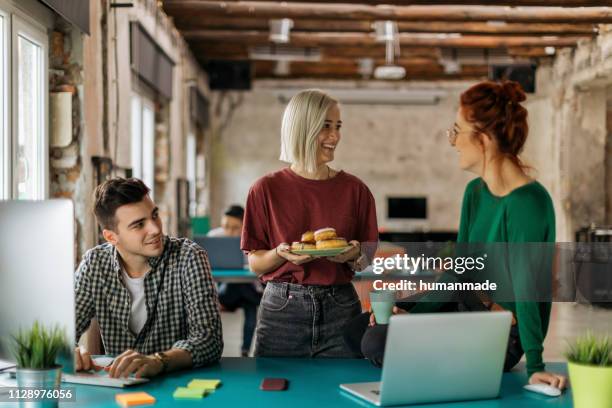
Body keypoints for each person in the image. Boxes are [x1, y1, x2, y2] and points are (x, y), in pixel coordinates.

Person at [345, 80, 567, 390]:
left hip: (502, 333)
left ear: (484, 139)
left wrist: (536, 364)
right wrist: (412, 315)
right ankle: (432, 352)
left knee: (376, 342)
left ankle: (431, 359)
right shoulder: (475, 193)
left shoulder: (528, 203)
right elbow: (460, 272)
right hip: (470, 302)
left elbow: (528, 290)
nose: (452, 141)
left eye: (457, 131)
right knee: (357, 329)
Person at [241, 89, 378, 358]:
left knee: (341, 395)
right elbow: (255, 263)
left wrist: (353, 255)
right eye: (326, 126)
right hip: (282, 310)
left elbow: (367, 256)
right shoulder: (265, 189)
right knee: (277, 395)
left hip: (341, 306)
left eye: (338, 127)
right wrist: (280, 254)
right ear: (303, 127)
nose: (335, 136)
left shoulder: (356, 189)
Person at [74, 178, 223, 378]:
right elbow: (62, 331)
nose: (155, 229)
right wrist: (70, 351)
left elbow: (209, 340)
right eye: (139, 225)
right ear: (111, 237)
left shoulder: (188, 257)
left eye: (154, 215)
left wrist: (158, 361)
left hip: (178, 385)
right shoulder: (95, 263)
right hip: (119, 388)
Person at [208, 204, 262, 357]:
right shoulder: (214, 237)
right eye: (226, 226)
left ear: (244, 226)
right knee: (247, 297)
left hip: (247, 291)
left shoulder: (254, 241)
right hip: (227, 291)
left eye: (234, 228)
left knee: (249, 306)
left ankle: (245, 351)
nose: (229, 232)